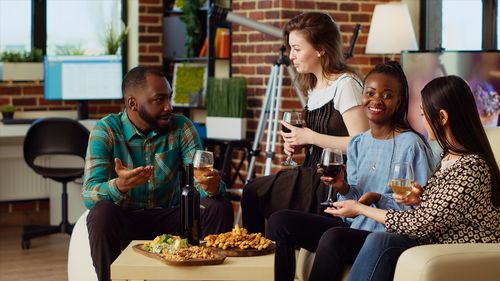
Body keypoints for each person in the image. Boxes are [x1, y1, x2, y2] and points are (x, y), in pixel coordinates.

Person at [266, 61, 436, 281]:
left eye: (386, 95)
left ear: (398, 102)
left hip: (385, 234)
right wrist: (342, 186)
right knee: (280, 222)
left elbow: (421, 204)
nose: (376, 100)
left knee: (334, 237)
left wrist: (376, 199)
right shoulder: (358, 143)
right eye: (370, 93)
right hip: (356, 225)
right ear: (362, 96)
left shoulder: (411, 145)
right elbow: (354, 196)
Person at [324, 75, 500, 281]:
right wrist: (421, 197)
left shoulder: (471, 167)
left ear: (442, 117)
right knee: (365, 239)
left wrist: (361, 209)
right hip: (435, 241)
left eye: (424, 114)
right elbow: (449, 207)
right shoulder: (449, 157)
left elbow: (420, 222)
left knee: (380, 241)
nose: (422, 121)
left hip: (462, 249)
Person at [82, 66, 234, 281]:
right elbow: (88, 194)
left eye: (169, 98)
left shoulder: (182, 126)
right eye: (159, 100)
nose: (168, 106)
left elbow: (201, 181)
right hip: (126, 218)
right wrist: (119, 186)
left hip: (171, 217)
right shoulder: (105, 130)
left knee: (217, 206)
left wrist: (210, 186)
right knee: (101, 213)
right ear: (132, 103)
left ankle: (209, 277)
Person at [241, 11, 369, 234]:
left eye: (297, 49)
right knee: (253, 192)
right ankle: (259, 256)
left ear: (321, 49)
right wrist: (300, 143)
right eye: (291, 48)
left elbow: (364, 144)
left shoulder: (346, 85)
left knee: (253, 192)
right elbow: (320, 137)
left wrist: (310, 137)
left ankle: (257, 255)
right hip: (312, 172)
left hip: (336, 180)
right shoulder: (315, 86)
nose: (291, 56)